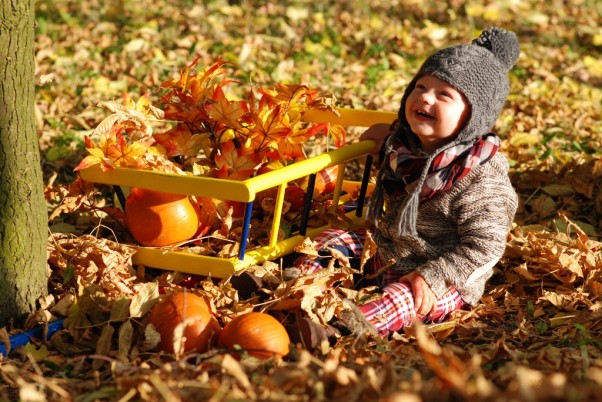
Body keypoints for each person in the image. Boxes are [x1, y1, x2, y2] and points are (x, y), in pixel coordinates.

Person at [293, 27, 520, 337]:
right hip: (389, 251)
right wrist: (384, 136)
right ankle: (295, 293)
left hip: (443, 277)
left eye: (444, 95)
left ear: (474, 116)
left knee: (402, 299)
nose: (425, 97)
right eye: (420, 86)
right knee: (331, 241)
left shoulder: (482, 177)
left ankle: (341, 328)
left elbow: (486, 247)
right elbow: (390, 143)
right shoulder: (405, 146)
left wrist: (434, 275)